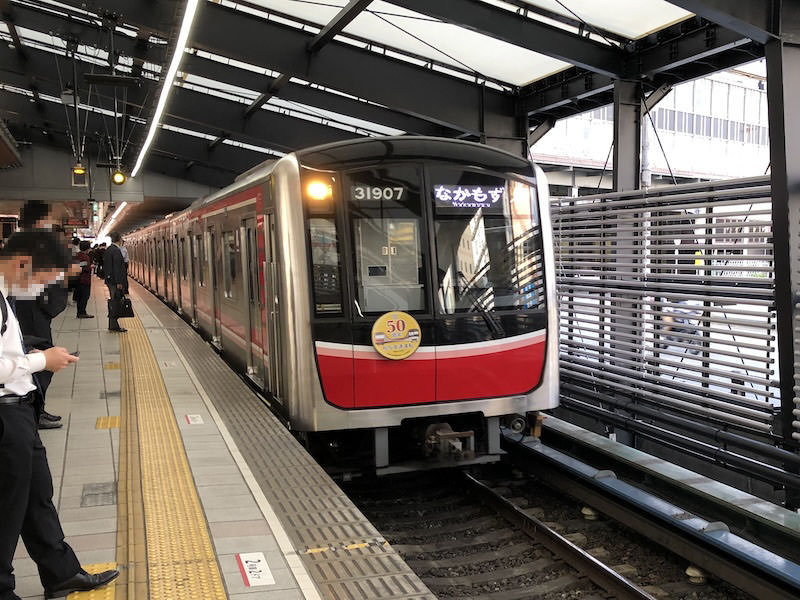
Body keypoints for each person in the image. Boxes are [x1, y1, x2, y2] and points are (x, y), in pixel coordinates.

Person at [0, 232, 119, 600]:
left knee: (37, 498)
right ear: (23, 263)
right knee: (6, 511)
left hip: (19, 411)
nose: (40, 287)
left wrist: (35, 350)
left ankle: (61, 573)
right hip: (4, 418)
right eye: (41, 278)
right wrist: (40, 361)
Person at [103, 232, 127, 333]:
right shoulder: (116, 250)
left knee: (114, 302)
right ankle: (113, 325)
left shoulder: (109, 249)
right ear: (119, 239)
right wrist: (119, 282)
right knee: (115, 302)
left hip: (110, 280)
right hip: (114, 282)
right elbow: (117, 268)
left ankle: (113, 324)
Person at [74, 241, 93, 319]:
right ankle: (82, 312)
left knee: (80, 297)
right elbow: (83, 267)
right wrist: (90, 267)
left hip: (78, 279)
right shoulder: (85, 257)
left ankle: (80, 312)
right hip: (84, 280)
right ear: (87, 248)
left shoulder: (77, 255)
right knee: (84, 296)